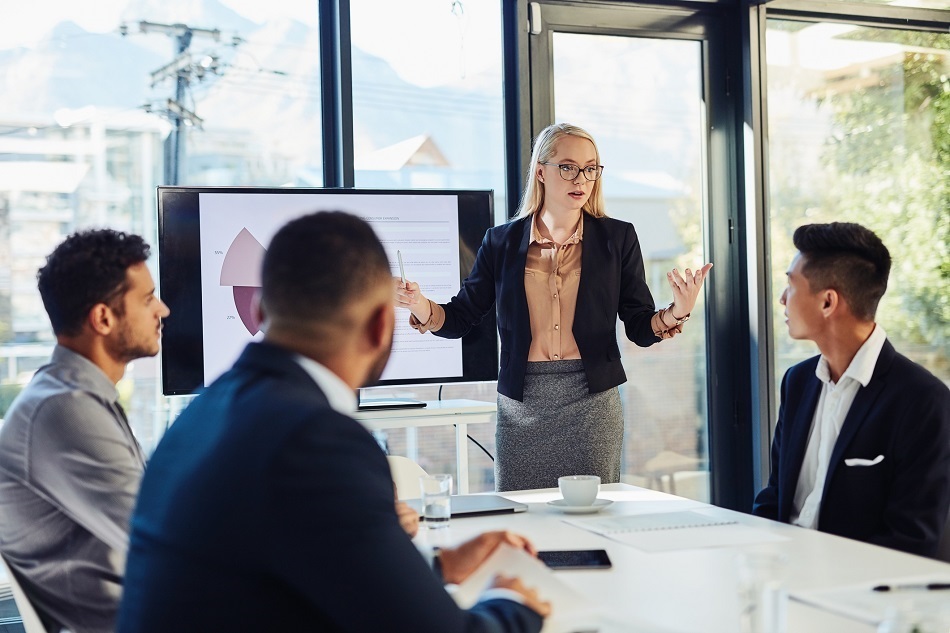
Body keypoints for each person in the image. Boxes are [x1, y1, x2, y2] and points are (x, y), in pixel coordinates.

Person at [117, 211, 550, 633]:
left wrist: (439, 567)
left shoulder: (204, 413)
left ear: (260, 310)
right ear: (382, 325)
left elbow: (297, 570)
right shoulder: (317, 441)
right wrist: (514, 602)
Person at [397, 123, 713, 491]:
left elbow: (639, 326)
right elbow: (460, 318)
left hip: (592, 403)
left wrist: (678, 310)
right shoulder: (500, 242)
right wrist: (419, 303)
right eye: (568, 166)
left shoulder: (617, 238)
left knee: (591, 519)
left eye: (591, 168)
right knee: (523, 520)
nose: (581, 178)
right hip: (522, 407)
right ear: (541, 172)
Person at [0, 229, 169, 633]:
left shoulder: (75, 396)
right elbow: (163, 543)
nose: (162, 310)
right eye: (147, 299)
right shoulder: (63, 410)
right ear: (103, 318)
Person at [752, 222, 950, 557]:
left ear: (828, 302)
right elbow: (775, 498)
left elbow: (913, 539)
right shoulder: (797, 382)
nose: (783, 298)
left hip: (860, 594)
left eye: (791, 284)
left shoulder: (923, 400)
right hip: (783, 577)